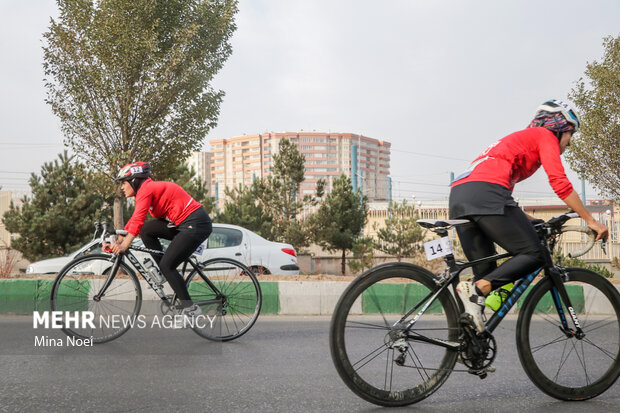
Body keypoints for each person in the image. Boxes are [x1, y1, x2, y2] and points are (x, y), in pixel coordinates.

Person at [449, 100, 609, 333]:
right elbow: (559, 183)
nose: (570, 142)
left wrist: (531, 221)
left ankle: (468, 344)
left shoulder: (515, 143)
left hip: (461, 195)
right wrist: (590, 220)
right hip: (487, 192)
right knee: (534, 254)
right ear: (559, 127)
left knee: (485, 278)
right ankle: (476, 291)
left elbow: (505, 202)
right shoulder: (544, 136)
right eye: (570, 134)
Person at [110, 161, 213, 315]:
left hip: (196, 224)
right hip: (182, 223)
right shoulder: (145, 191)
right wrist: (120, 238)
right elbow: (135, 220)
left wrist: (125, 245)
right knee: (147, 230)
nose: (122, 187)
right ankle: (164, 271)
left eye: (124, 183)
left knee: (167, 265)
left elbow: (137, 220)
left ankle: (190, 309)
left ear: (133, 180)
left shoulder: (147, 189)